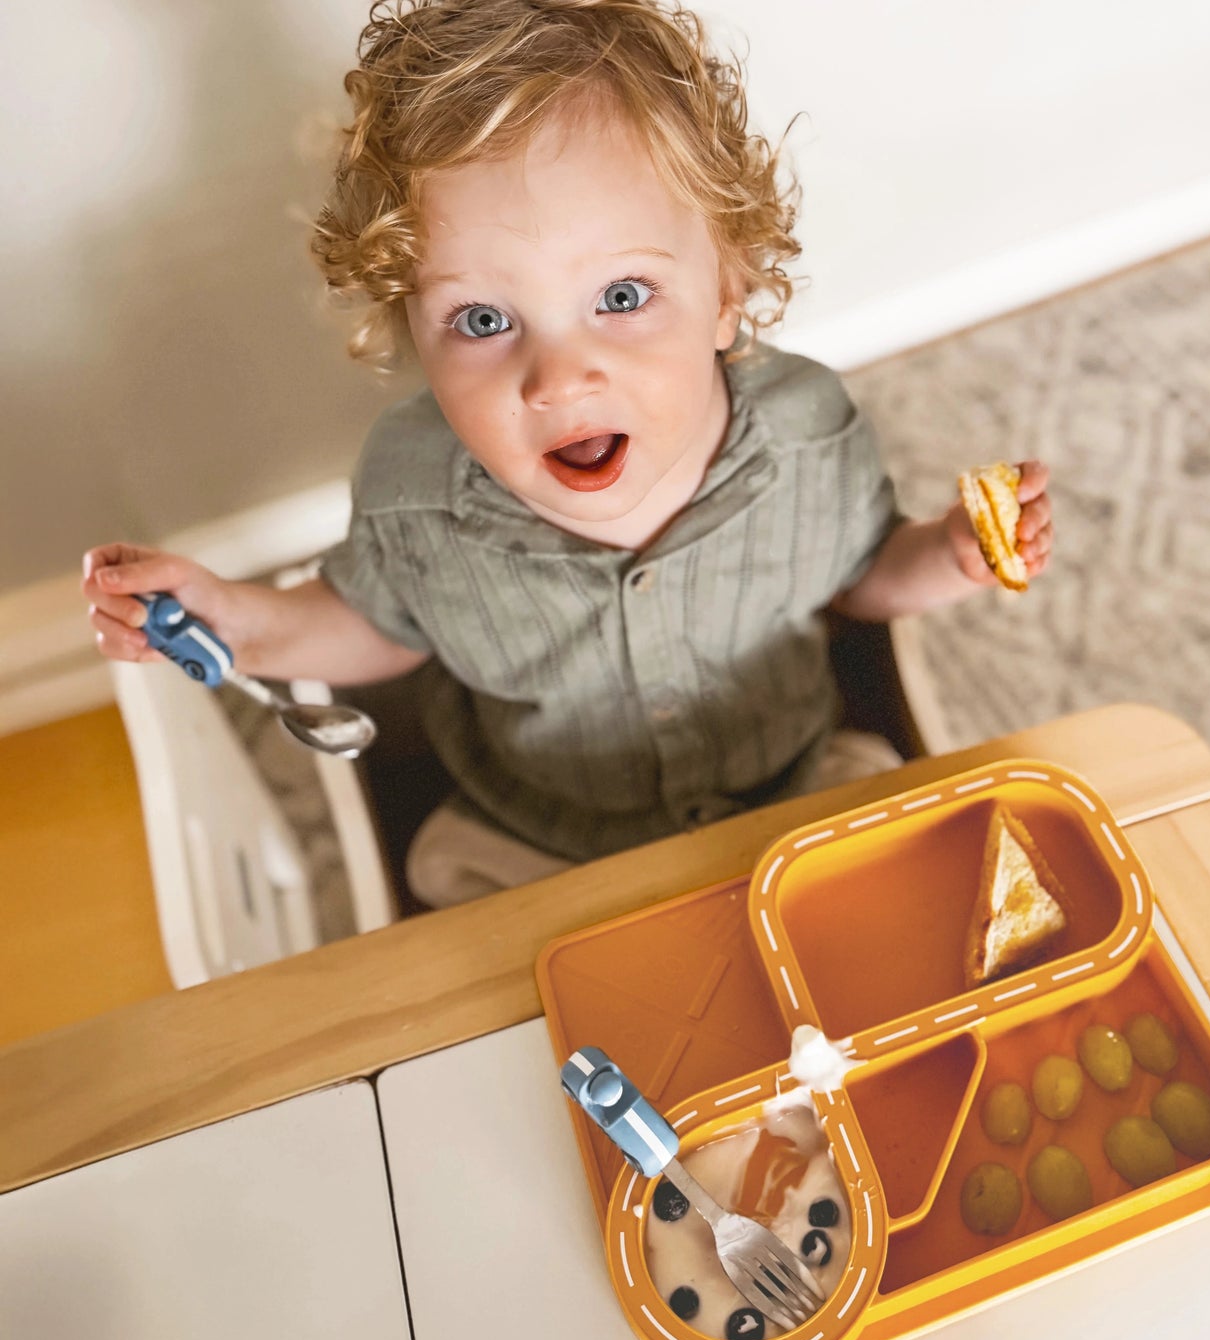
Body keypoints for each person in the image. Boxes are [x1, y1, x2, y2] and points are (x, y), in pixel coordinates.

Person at [82, 0, 1053, 908]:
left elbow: (858, 577)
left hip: (783, 784)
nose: (557, 380)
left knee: (903, 883)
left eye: (621, 298)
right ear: (411, 327)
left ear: (726, 288)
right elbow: (373, 622)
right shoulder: (414, 491)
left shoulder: (803, 431)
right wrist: (236, 618)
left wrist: (948, 554)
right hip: (538, 833)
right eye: (484, 317)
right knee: (474, 947)